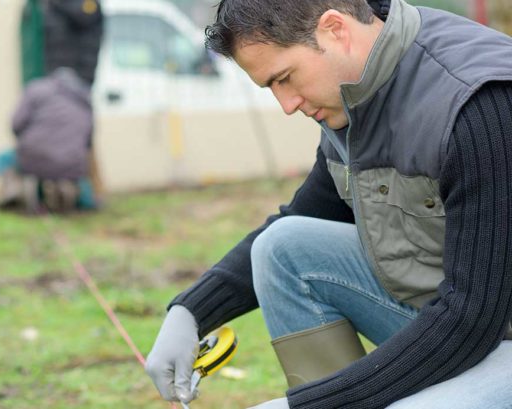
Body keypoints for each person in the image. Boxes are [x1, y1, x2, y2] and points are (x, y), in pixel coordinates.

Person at [144, 0, 512, 408]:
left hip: (481, 326)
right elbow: (307, 214)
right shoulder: (356, 93)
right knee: (283, 248)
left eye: (285, 78)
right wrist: (191, 312)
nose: (287, 105)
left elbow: (472, 319)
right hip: (474, 326)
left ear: (334, 29)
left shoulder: (477, 104)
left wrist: (313, 404)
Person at [11, 67, 93, 213]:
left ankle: (15, 195)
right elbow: (88, 140)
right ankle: (78, 199)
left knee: (3, 158)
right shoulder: (85, 98)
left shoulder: (36, 89)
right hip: (73, 163)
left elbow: (16, 125)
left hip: (34, 157)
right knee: (72, 171)